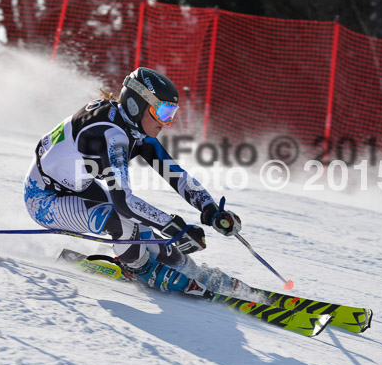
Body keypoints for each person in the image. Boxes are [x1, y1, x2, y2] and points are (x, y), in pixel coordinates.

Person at [24, 67, 243, 295]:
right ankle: (139, 269)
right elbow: (123, 203)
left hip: (78, 188)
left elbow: (176, 175)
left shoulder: (135, 129)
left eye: (171, 114)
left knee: (144, 227)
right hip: (44, 199)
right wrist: (177, 229)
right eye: (163, 113)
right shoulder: (112, 134)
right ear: (136, 105)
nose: (166, 123)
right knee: (123, 221)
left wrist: (211, 209)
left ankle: (188, 268)